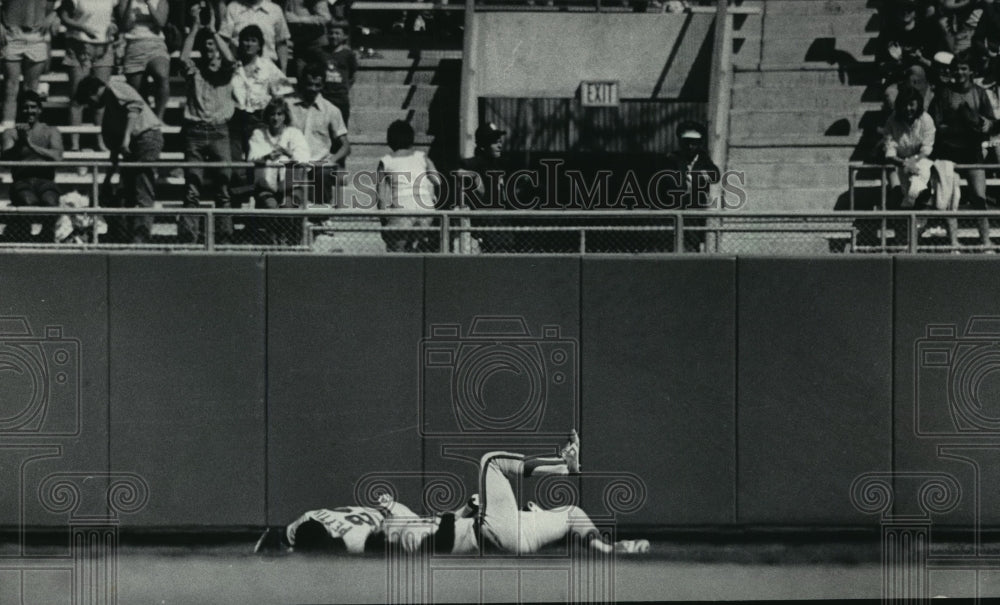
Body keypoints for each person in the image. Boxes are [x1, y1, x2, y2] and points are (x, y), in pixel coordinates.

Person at [266, 431, 650, 557]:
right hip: (489, 532)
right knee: (491, 462)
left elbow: (432, 525)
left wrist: (466, 509)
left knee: (572, 512)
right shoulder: (371, 535)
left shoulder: (394, 524)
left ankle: (608, 549)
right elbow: (435, 533)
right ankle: (566, 467)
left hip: (507, 533)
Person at [74, 74, 164, 243]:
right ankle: (127, 236)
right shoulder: (110, 111)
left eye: (89, 101)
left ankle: (141, 240)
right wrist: (108, 178)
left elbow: (134, 107)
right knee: (126, 193)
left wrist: (126, 138)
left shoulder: (113, 87)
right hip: (132, 146)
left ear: (92, 93)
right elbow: (115, 151)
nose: (91, 106)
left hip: (145, 137)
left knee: (142, 190)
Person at [178, 8, 237, 244]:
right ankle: (188, 237)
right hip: (195, 131)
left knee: (223, 188)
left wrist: (213, 31)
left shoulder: (226, 72)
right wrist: (195, 28)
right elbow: (183, 58)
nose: (210, 50)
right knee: (192, 188)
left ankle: (225, 237)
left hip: (219, 131)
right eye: (206, 47)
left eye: (213, 46)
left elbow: (230, 59)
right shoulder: (195, 71)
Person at [928, 48, 997, 249]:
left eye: (964, 68)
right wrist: (959, 127)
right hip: (948, 152)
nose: (959, 73)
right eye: (956, 69)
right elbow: (935, 124)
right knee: (951, 199)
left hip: (972, 152)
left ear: (971, 71)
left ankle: (985, 241)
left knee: (979, 198)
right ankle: (953, 242)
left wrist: (986, 124)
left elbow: (992, 122)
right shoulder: (943, 93)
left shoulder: (979, 93)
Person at [229, 23, 292, 207]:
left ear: (260, 45)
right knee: (235, 166)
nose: (248, 44)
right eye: (245, 40)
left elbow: (281, 94)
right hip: (235, 119)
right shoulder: (232, 65)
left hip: (259, 120)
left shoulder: (267, 66)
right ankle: (236, 211)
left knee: (259, 166)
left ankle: (257, 213)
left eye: (253, 41)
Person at [0, 90, 63, 242]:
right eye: (25, 107)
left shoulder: (51, 131)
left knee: (51, 202)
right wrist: (20, 145)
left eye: (33, 107)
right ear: (20, 110)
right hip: (22, 181)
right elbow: (5, 159)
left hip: (46, 180)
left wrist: (31, 146)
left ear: (40, 109)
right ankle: (25, 238)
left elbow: (57, 157)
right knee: (29, 202)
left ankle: (47, 238)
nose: (29, 111)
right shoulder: (10, 133)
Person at [285, 61, 350, 208]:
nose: (313, 89)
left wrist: (332, 160)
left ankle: (321, 216)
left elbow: (345, 146)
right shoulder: (287, 105)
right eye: (309, 84)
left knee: (323, 174)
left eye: (317, 85)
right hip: (293, 161)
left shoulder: (331, 110)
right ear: (302, 83)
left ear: (323, 85)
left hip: (319, 163)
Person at [246, 96, 309, 244]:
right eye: (272, 114)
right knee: (271, 207)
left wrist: (289, 153)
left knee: (288, 207)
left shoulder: (294, 133)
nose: (275, 118)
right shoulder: (258, 134)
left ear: (285, 116)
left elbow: (305, 159)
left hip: (290, 185)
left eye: (279, 114)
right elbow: (251, 158)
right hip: (266, 186)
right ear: (267, 116)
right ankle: (274, 241)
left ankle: (288, 241)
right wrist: (267, 156)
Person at [60, 0, 117, 152]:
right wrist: (82, 27)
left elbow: (113, 17)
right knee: (77, 98)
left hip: (104, 48)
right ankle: (74, 144)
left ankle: (101, 141)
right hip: (78, 46)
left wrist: (113, 27)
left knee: (101, 98)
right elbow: (64, 17)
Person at [377, 119, 439, 252]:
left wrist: (384, 220)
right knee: (416, 249)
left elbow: (381, 196)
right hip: (425, 208)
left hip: (402, 208)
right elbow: (436, 180)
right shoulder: (422, 157)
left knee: (396, 250)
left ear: (389, 140)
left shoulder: (386, 161)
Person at [662, 120, 720, 252]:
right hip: (675, 206)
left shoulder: (703, 159)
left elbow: (715, 175)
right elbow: (667, 179)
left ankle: (695, 252)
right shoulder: (672, 158)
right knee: (674, 238)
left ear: (699, 144)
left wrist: (697, 176)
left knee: (695, 237)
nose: (690, 146)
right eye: (686, 142)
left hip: (695, 207)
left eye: (694, 143)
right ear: (681, 143)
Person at [0, 0, 60, 128]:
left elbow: (62, 5)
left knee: (31, 90)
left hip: (37, 36)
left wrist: (54, 14)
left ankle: (29, 130)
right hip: (11, 34)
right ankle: (7, 131)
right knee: (10, 87)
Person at [115, 0, 171, 121]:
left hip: (155, 44)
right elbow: (125, 26)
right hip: (133, 45)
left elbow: (161, 23)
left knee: (162, 75)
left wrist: (148, 3)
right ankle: (145, 121)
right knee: (137, 91)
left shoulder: (160, 1)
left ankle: (158, 119)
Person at [218, 0, 290, 73]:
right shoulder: (233, 8)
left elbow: (281, 43)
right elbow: (224, 41)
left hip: (268, 69)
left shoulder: (275, 10)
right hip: (239, 69)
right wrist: (230, 64)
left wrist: (283, 70)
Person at [312, 20, 356, 126]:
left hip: (340, 98)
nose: (333, 36)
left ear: (345, 36)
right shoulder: (321, 53)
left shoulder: (348, 54)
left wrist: (344, 88)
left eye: (337, 33)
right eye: (331, 33)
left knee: (340, 127)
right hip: (324, 97)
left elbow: (352, 75)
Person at [282, 0, 330, 79]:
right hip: (299, 45)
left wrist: (299, 19)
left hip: (317, 44)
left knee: (325, 75)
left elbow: (325, 18)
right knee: (301, 77)